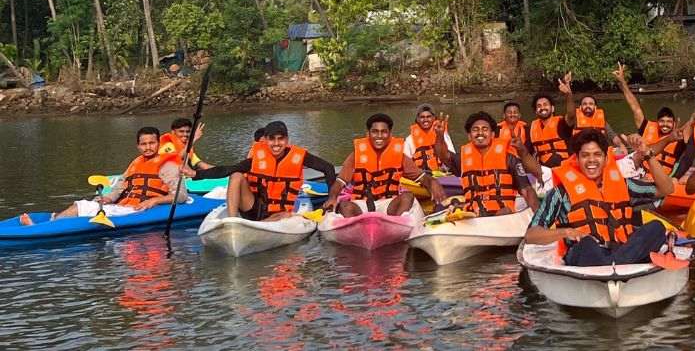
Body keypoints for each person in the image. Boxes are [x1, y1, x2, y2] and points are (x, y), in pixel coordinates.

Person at [523, 128, 675, 266]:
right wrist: (566, 232)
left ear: (606, 159)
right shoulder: (560, 194)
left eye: (597, 155)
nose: (591, 160)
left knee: (657, 227)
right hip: (586, 255)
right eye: (585, 155)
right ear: (576, 159)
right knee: (587, 244)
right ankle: (619, 264)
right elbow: (531, 235)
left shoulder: (624, 185)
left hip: (622, 249)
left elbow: (666, 189)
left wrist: (647, 153)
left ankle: (613, 264)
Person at [21, 127, 185, 225]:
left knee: (80, 207)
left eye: (152, 143)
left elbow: (181, 195)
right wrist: (107, 198)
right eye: (143, 144)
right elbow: (120, 187)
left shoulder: (168, 166)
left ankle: (42, 227)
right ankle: (55, 219)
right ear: (138, 146)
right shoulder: (135, 163)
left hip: (137, 210)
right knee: (89, 204)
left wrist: (154, 200)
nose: (148, 147)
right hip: (123, 206)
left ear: (158, 143)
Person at [189, 120, 336, 221]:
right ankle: (232, 221)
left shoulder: (299, 156)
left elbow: (328, 168)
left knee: (285, 216)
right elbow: (228, 169)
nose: (277, 144)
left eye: (281, 139)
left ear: (287, 139)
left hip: (279, 212)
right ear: (265, 140)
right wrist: (196, 174)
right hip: (253, 207)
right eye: (272, 139)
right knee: (236, 175)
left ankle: (260, 225)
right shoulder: (257, 157)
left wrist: (332, 198)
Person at [434, 111, 539, 215]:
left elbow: (527, 190)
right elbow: (444, 156)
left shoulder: (509, 158)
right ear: (469, 136)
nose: (480, 133)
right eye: (475, 129)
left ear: (492, 134)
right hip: (473, 216)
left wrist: (538, 218)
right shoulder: (462, 158)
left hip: (504, 215)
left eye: (485, 129)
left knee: (504, 211)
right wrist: (440, 135)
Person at [323, 113, 423, 217]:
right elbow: (340, 181)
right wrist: (332, 197)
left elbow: (422, 177)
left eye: (384, 132)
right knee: (345, 206)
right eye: (375, 132)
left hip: (389, 202)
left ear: (390, 134)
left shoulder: (400, 156)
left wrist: (433, 184)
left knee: (407, 196)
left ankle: (397, 223)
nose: (379, 136)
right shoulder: (356, 155)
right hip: (361, 204)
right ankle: (356, 227)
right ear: (368, 134)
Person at [612, 62, 684, 174]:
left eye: (669, 122)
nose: (665, 124)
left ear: (674, 123)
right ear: (657, 122)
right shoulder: (647, 127)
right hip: (640, 171)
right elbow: (635, 107)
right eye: (662, 121)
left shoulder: (680, 137)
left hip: (661, 178)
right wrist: (622, 82)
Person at [527, 92, 574, 169]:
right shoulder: (531, 128)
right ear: (536, 111)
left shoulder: (561, 123)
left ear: (552, 108)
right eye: (539, 106)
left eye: (545, 104)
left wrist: (568, 95)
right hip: (544, 170)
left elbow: (571, 115)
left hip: (565, 167)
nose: (542, 108)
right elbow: (527, 153)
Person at [404, 104, 455, 174]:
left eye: (429, 117)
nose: (425, 120)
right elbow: (406, 162)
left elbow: (452, 156)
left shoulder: (442, 134)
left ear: (434, 118)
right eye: (422, 117)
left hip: (443, 174)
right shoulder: (409, 140)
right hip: (422, 177)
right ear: (417, 119)